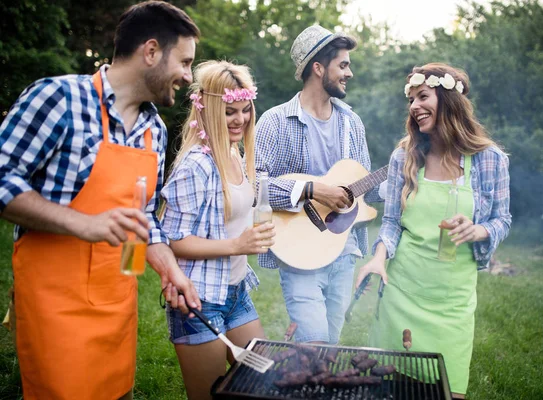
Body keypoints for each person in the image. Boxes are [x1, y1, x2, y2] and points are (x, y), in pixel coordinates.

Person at [0, 2, 201, 399]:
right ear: (151, 51)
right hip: (55, 306)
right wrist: (82, 222)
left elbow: (144, 219)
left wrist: (168, 268)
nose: (187, 76)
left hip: (117, 305)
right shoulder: (59, 98)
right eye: (185, 61)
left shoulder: (154, 131)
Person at [356, 63, 511, 398]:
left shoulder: (489, 159)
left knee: (447, 390)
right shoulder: (405, 156)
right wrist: (378, 258)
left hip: (452, 302)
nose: (414, 106)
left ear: (448, 100)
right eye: (411, 99)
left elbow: (502, 219)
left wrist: (478, 231)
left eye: (422, 96)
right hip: (401, 292)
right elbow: (392, 222)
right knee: (389, 388)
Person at [254, 25, 383, 344]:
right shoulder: (275, 121)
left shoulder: (352, 123)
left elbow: (365, 192)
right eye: (343, 64)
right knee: (313, 345)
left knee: (330, 349)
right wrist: (310, 190)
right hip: (297, 253)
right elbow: (253, 187)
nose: (349, 73)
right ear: (318, 67)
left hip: (343, 251)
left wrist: (402, 176)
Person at [160, 60, 275, 400]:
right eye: (229, 112)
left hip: (237, 294)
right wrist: (237, 245)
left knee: (263, 384)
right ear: (208, 110)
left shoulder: (234, 153)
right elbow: (173, 240)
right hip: (199, 301)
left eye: (245, 110)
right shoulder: (196, 166)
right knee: (209, 395)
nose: (240, 119)